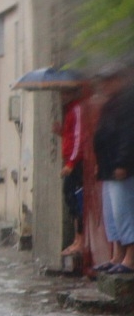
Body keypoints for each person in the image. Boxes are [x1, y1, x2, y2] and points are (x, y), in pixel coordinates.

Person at [94, 80, 134, 275]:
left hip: (120, 167)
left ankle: (130, 258)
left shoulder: (128, 101)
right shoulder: (111, 104)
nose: (104, 85)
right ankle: (117, 255)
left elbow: (127, 136)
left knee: (124, 212)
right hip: (108, 167)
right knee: (111, 215)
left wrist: (122, 162)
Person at [61, 93, 87, 262]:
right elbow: (71, 137)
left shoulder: (77, 109)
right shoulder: (70, 110)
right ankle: (77, 240)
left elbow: (79, 139)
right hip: (71, 161)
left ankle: (80, 240)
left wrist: (71, 163)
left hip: (76, 163)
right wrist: (60, 132)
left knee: (76, 199)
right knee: (70, 198)